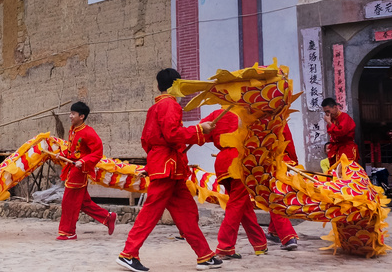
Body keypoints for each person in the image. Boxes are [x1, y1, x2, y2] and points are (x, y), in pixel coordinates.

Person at [117, 69, 220, 272]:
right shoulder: (169, 105)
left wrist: (152, 165)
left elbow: (147, 140)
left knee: (187, 214)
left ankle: (204, 256)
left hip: (170, 168)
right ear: (176, 85)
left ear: (159, 86)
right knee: (151, 213)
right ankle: (128, 254)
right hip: (168, 169)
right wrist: (200, 130)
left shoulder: (155, 107)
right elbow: (172, 135)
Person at [200, 109, 268, 260]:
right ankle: (225, 246)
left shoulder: (217, 113)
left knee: (243, 205)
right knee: (236, 205)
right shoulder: (248, 112)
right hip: (239, 161)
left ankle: (260, 244)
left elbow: (202, 131)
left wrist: (218, 135)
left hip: (223, 161)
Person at [55, 101, 116, 240]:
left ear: (81, 116)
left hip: (79, 172)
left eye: (73, 114)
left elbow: (97, 152)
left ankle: (68, 232)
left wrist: (83, 161)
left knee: (69, 202)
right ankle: (108, 217)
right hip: (72, 168)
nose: (70, 116)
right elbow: (71, 150)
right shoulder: (73, 130)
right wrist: (63, 155)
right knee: (83, 203)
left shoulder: (88, 132)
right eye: (70, 113)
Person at [265, 125, 299, 250]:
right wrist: (294, 161)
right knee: (276, 196)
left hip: (269, 164)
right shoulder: (281, 117)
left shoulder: (256, 117)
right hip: (283, 163)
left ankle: (288, 237)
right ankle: (273, 232)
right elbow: (289, 142)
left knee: (274, 199)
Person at [321, 98, 358, 166]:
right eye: (325, 112)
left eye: (328, 111)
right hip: (336, 149)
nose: (327, 114)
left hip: (346, 149)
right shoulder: (332, 119)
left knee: (346, 171)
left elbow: (341, 133)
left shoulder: (345, 117)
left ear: (335, 107)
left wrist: (329, 122)